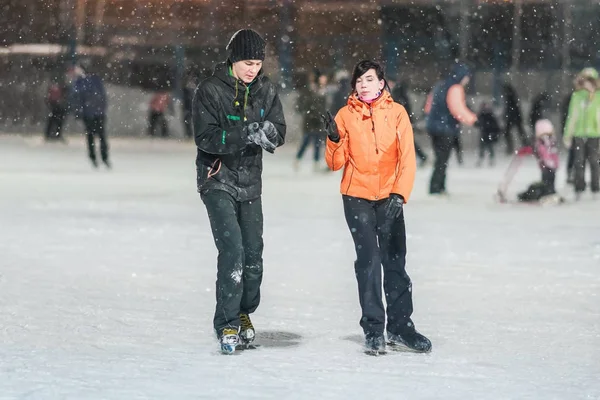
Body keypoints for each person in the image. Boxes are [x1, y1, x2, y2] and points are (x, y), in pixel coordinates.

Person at [322, 59, 431, 355]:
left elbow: (407, 158)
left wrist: (399, 194)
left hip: (389, 197)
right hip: (356, 196)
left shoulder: (396, 114)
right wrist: (333, 139)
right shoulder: (345, 115)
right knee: (368, 262)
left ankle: (400, 327)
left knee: (395, 262)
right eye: (359, 81)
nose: (364, 85)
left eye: (369, 79)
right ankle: (373, 329)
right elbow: (335, 164)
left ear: (382, 83)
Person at [192, 29, 286, 354]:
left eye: (258, 63)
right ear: (233, 59)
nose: (253, 69)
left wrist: (268, 133)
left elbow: (279, 132)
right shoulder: (210, 90)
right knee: (232, 251)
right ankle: (227, 323)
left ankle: (244, 312)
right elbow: (205, 137)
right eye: (247, 62)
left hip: (250, 184)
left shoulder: (266, 90)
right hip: (217, 180)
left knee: (253, 258)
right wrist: (245, 132)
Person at [424, 63, 477, 195]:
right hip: (445, 128)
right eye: (466, 77)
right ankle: (437, 188)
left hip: (433, 127)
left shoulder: (440, 85)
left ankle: (436, 186)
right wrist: (474, 120)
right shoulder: (455, 88)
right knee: (442, 160)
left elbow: (428, 107)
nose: (467, 80)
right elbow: (457, 109)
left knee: (439, 159)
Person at [563, 67, 600, 200]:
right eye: (585, 80)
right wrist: (568, 134)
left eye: (591, 81)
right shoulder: (577, 96)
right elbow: (572, 117)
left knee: (595, 162)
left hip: (594, 135)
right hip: (579, 135)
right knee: (579, 162)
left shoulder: (599, 97)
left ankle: (596, 189)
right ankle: (579, 188)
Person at [69, 63, 110, 168]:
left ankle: (97, 157)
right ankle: (101, 157)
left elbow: (77, 98)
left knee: (94, 136)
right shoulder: (94, 81)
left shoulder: (82, 82)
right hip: (94, 112)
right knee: (99, 135)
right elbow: (102, 96)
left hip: (91, 112)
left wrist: (79, 112)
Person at [517, 119, 560, 203]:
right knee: (548, 181)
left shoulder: (546, 141)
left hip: (549, 165)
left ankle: (549, 193)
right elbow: (544, 153)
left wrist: (551, 162)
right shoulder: (546, 141)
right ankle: (549, 193)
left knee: (548, 180)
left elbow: (548, 153)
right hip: (548, 165)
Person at [294, 70, 328, 172]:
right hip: (310, 121)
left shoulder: (322, 92)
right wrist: (310, 112)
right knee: (307, 140)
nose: (324, 81)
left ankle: (316, 163)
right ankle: (298, 160)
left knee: (317, 142)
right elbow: (301, 105)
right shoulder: (309, 91)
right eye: (322, 79)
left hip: (318, 121)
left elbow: (324, 107)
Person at [391, 80, 428, 166]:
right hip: (404, 122)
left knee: (405, 141)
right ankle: (421, 157)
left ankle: (420, 157)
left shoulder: (397, 97)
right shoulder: (404, 97)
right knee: (407, 141)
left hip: (400, 122)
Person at [501, 83, 528, 154]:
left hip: (513, 117)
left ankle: (510, 148)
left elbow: (510, 108)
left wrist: (506, 115)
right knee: (520, 133)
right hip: (515, 117)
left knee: (510, 133)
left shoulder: (510, 97)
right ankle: (526, 146)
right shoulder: (512, 96)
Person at [476, 102, 500, 167]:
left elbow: (495, 126)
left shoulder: (488, 115)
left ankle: (489, 160)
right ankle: (484, 160)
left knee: (488, 148)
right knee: (485, 148)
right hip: (486, 134)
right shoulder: (484, 115)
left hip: (488, 134)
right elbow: (477, 124)